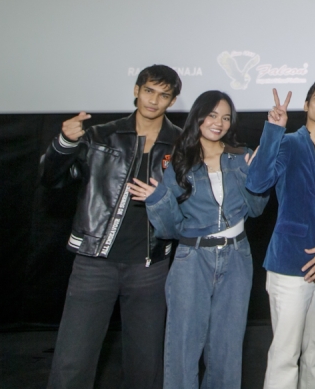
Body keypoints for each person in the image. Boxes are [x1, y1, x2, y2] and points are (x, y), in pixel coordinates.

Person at [39, 64, 182, 389]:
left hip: (151, 266)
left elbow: (189, 205)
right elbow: (50, 178)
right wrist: (64, 142)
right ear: (136, 90)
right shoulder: (102, 135)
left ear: (172, 101)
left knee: (146, 366)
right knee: (73, 361)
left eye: (163, 95)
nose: (153, 100)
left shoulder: (180, 144)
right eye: (148, 91)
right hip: (94, 262)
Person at [129, 90, 281, 388]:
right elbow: (170, 229)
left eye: (225, 117)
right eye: (212, 115)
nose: (219, 123)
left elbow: (256, 208)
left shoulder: (240, 157)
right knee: (183, 345)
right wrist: (158, 199)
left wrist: (259, 169)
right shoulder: (177, 161)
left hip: (237, 257)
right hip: (191, 259)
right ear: (198, 116)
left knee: (227, 347)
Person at [246, 79, 315, 389]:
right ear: (306, 106)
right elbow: (257, 182)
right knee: (285, 354)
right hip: (290, 262)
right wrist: (274, 129)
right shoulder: (288, 142)